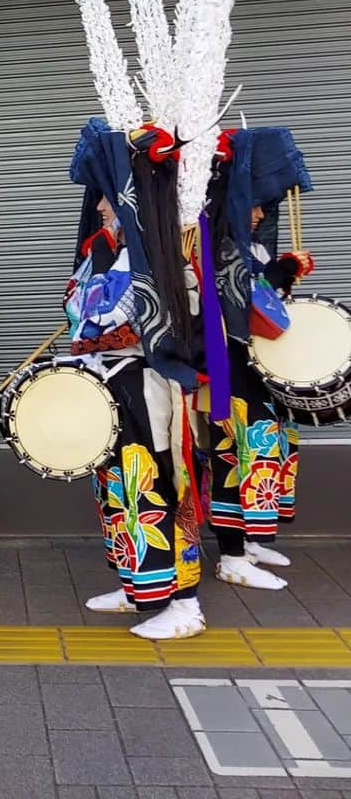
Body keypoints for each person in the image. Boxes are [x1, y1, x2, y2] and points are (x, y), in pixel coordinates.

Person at [68, 121, 205, 641]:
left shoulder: (165, 255)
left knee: (160, 486)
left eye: (108, 198)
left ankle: (185, 603)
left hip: (146, 385)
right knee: (120, 489)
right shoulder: (113, 252)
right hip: (113, 382)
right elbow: (82, 313)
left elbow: (107, 318)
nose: (100, 208)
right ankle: (139, 585)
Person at [199, 127, 313, 590]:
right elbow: (240, 301)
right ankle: (229, 554)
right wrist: (280, 272)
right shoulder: (215, 248)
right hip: (228, 372)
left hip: (257, 369)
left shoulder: (252, 247)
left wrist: (283, 271)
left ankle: (249, 539)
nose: (264, 212)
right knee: (233, 455)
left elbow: (265, 299)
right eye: (255, 203)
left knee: (268, 451)